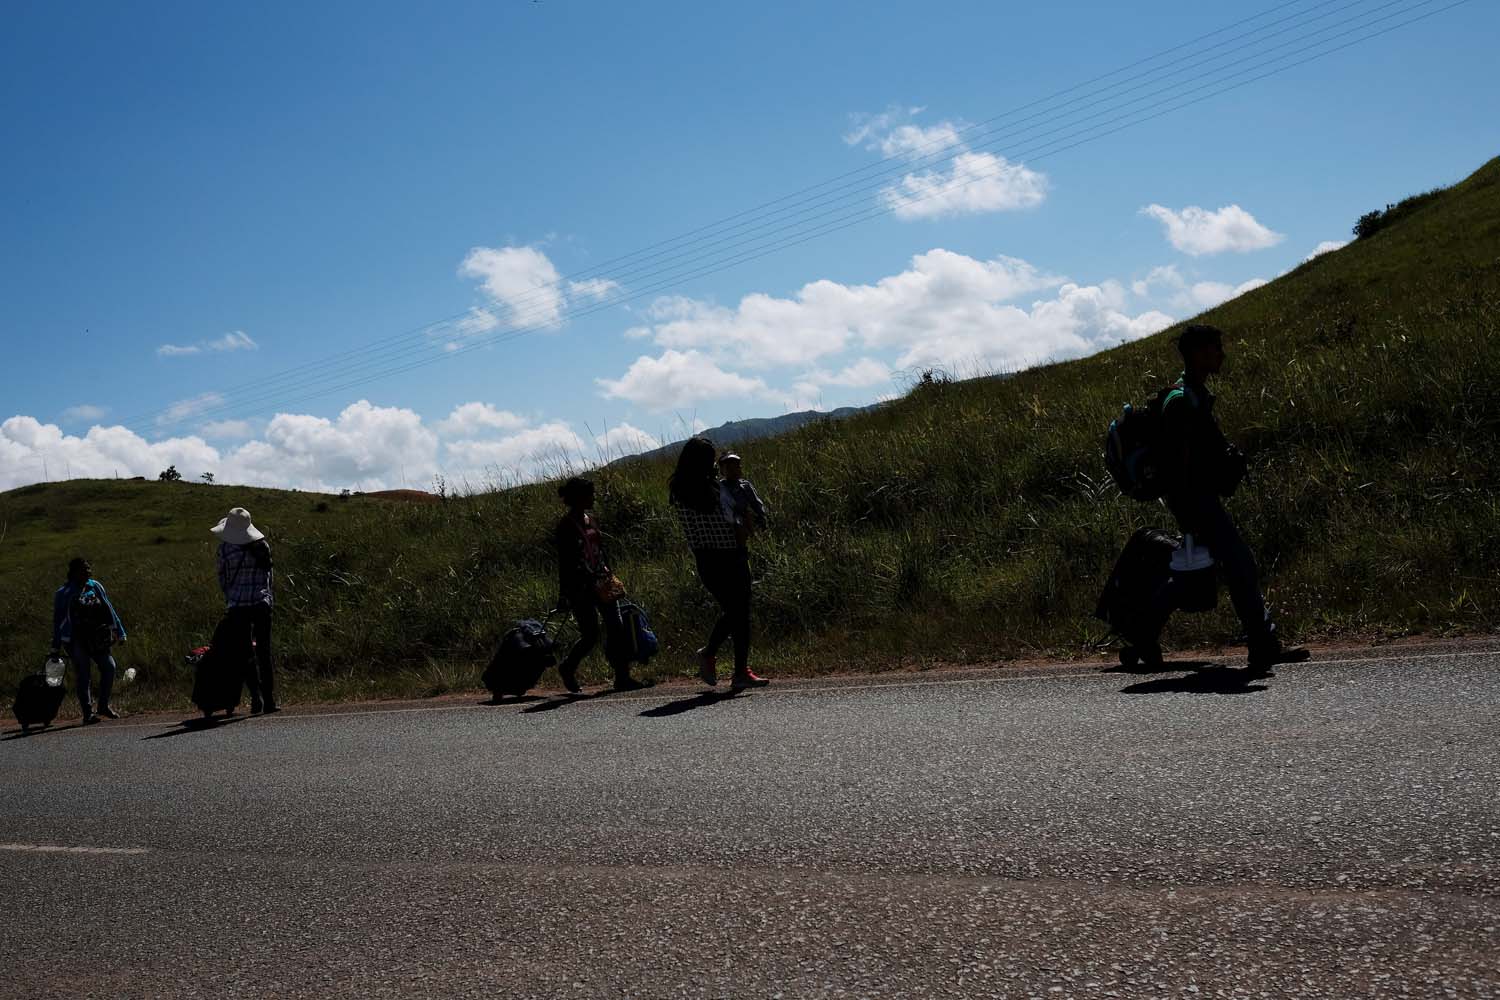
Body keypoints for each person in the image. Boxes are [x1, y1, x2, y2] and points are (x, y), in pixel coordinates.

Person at [1151, 324, 1310, 674]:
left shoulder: (1191, 394)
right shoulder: (1181, 400)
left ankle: (1140, 634)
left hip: (1197, 498)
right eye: (1214, 349)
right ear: (1197, 355)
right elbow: (1179, 462)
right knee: (1238, 564)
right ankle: (1263, 646)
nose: (1221, 355)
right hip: (1194, 500)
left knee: (1202, 570)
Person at [670, 437, 768, 691]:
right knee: (739, 612)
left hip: (706, 560)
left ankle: (722, 660)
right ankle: (732, 667)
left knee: (734, 611)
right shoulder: (716, 490)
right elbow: (731, 521)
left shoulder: (679, 490)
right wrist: (746, 523)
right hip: (731, 554)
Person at [551, 476, 650, 693]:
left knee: (617, 626)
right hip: (580, 588)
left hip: (602, 582)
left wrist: (609, 574)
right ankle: (568, 667)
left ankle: (622, 677)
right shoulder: (565, 526)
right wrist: (564, 594)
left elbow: (601, 550)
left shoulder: (591, 519)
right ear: (577, 498)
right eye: (589, 494)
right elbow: (565, 564)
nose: (593, 497)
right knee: (590, 635)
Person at [212, 506, 278, 713]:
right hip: (261, 603)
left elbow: (223, 578)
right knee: (264, 652)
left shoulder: (225, 549)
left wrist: (231, 597)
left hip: (238, 607)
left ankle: (255, 697)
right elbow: (269, 578)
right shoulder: (263, 546)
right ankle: (269, 700)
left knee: (245, 653)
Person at [51, 557, 128, 723]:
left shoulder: (95, 586)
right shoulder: (63, 593)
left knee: (109, 667)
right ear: (74, 573)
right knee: (84, 674)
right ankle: (87, 713)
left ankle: (103, 706)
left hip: (97, 636)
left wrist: (120, 632)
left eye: (88, 569)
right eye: (84, 569)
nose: (88, 571)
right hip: (75, 640)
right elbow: (58, 622)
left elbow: (109, 608)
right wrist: (55, 648)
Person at [718, 452, 769, 538]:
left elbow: (757, 504)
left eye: (736, 467)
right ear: (722, 472)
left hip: (747, 521)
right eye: (729, 468)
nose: (734, 471)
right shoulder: (720, 488)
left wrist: (763, 519)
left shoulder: (745, 485)